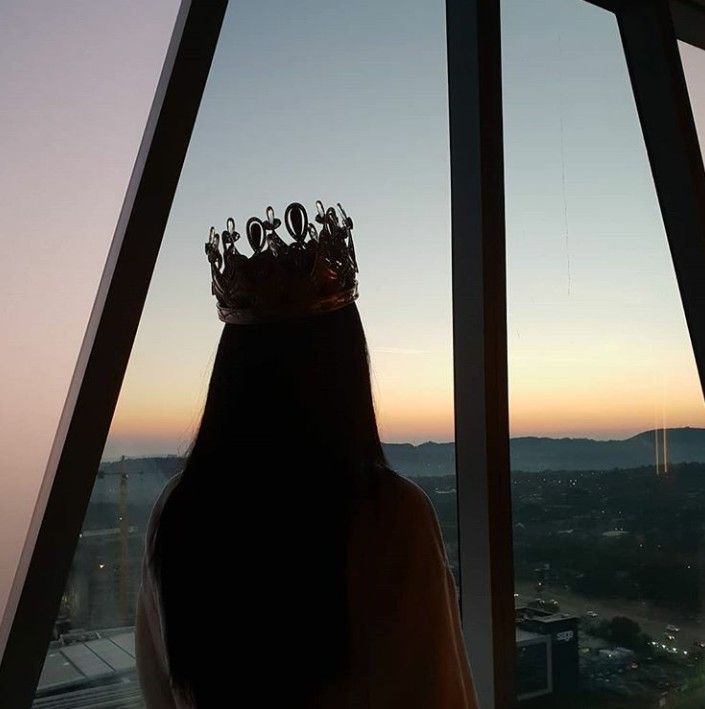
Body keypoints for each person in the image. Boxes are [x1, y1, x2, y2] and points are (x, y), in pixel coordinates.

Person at [134, 202, 478, 708]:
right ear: (347, 368)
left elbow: (158, 688)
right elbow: (438, 693)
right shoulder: (389, 515)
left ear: (229, 372)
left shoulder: (179, 510)